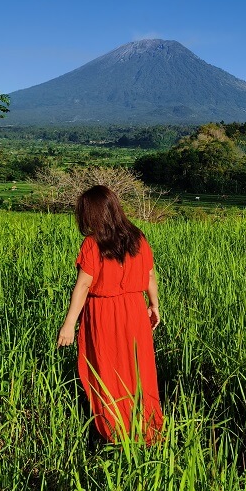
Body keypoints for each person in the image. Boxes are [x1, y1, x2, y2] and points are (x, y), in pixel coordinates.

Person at [57, 185, 163, 443]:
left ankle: (115, 432)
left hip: (103, 313)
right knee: (139, 371)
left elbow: (83, 285)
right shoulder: (138, 238)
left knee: (107, 370)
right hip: (135, 311)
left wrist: (69, 324)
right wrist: (154, 305)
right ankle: (146, 429)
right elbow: (150, 275)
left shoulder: (93, 243)